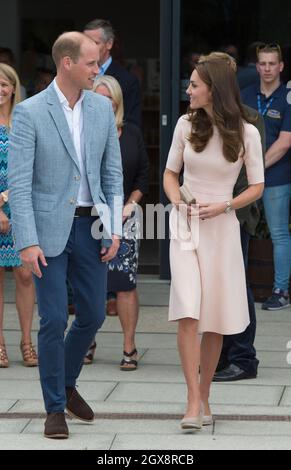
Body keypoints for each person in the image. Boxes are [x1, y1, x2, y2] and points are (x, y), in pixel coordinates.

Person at [8, 32, 123, 439]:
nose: (98, 70)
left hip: (91, 227)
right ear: (67, 63)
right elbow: (19, 184)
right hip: (46, 231)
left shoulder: (101, 108)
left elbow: (112, 173)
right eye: (92, 63)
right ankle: (54, 408)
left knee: (92, 313)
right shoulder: (30, 112)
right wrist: (26, 239)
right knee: (54, 319)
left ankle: (65, 382)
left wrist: (113, 227)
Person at [163, 52, 264, 431]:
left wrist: (225, 205)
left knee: (216, 318)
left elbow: (257, 186)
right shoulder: (185, 125)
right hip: (185, 226)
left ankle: (205, 394)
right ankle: (192, 399)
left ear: (214, 89)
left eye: (194, 85)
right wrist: (177, 201)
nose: (187, 90)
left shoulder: (248, 131)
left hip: (222, 229)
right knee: (188, 310)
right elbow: (170, 174)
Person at [200, 54, 266, 382]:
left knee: (237, 285)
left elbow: (250, 176)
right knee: (214, 286)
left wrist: (227, 207)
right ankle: (222, 354)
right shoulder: (199, 118)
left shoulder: (249, 119)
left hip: (235, 215)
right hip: (207, 216)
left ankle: (244, 357)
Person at [84, 75, 148, 368]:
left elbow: (143, 175)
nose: (102, 102)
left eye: (108, 98)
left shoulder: (132, 133)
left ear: (117, 102)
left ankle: (129, 349)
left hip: (125, 216)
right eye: (97, 96)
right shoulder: (82, 130)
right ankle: (87, 342)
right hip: (89, 216)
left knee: (124, 284)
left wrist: (129, 205)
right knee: (89, 283)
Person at [241, 43, 291, 310]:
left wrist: (255, 167)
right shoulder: (246, 95)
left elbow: (285, 142)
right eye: (263, 63)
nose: (268, 68)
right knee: (239, 230)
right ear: (257, 66)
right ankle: (238, 288)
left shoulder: (288, 97)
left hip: (277, 178)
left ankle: (280, 290)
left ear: (281, 66)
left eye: (273, 63)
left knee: (279, 233)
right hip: (245, 179)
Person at [0, 63, 37, 368]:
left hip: (21, 206)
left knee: (25, 274)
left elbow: (32, 165)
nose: (0, 90)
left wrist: (10, 199)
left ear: (14, 88)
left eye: (4, 84)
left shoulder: (23, 120)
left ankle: (27, 341)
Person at [83, 19, 141, 128]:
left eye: (95, 43)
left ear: (109, 44)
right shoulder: (76, 76)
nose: (88, 48)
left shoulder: (128, 80)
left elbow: (132, 125)